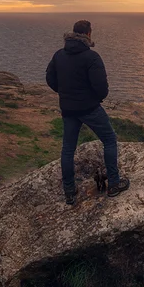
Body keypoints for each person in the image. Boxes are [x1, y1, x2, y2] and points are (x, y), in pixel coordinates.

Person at [46, 19, 130, 205]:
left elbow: (50, 78)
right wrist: (94, 98)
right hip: (90, 108)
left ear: (73, 33)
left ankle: (69, 191)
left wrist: (65, 94)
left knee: (68, 150)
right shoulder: (91, 57)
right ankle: (114, 185)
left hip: (68, 109)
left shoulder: (59, 55)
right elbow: (101, 88)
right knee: (109, 140)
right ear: (89, 34)